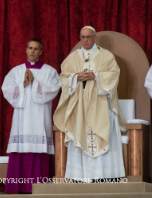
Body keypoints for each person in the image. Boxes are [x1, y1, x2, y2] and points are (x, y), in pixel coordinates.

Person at [53, 26, 126, 182]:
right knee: (80, 132)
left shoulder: (106, 56)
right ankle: (80, 176)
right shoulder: (73, 57)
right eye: (82, 37)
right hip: (80, 105)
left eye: (88, 37)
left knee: (101, 132)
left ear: (95, 38)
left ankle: (104, 175)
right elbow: (63, 77)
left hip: (100, 104)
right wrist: (75, 77)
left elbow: (114, 75)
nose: (85, 40)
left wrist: (95, 76)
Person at [1, 38, 60, 193]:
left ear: (41, 52)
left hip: (40, 118)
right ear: (26, 50)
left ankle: (40, 188)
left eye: (36, 49)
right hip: (21, 118)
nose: (32, 51)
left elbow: (53, 90)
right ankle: (18, 187)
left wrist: (35, 83)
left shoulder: (49, 71)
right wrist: (23, 85)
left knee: (39, 151)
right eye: (30, 48)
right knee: (21, 148)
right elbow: (6, 89)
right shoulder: (16, 71)